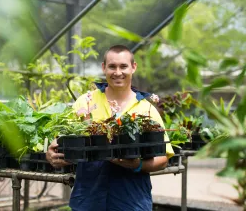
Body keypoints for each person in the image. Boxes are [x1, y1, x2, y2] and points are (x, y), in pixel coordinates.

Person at [46, 45, 174, 211]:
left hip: (131, 200)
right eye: (112, 66)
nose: (118, 72)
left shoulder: (146, 109)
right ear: (103, 68)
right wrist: (52, 154)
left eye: (123, 66)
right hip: (88, 198)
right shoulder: (86, 102)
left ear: (133, 67)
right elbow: (64, 140)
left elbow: (163, 159)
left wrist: (137, 165)